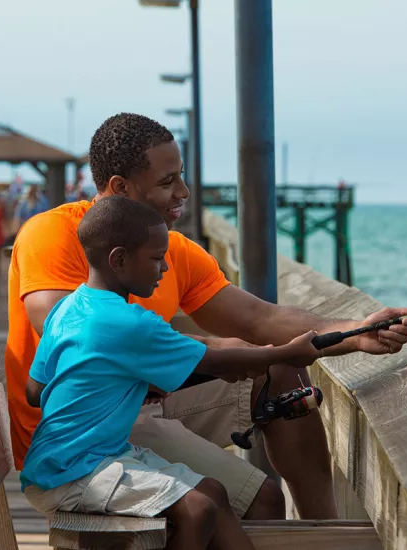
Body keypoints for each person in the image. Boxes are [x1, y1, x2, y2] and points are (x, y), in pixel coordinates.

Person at [6, 113, 407, 521]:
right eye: (167, 181)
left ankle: (321, 529)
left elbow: (259, 320)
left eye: (182, 176)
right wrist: (203, 352)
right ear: (120, 187)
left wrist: (356, 332)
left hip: (145, 400)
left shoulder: (174, 251)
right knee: (260, 499)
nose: (184, 192)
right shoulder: (52, 233)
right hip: (81, 431)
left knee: (281, 367)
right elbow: (63, 331)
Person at [21, 196, 321, 549]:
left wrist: (118, 383)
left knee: (213, 491)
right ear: (118, 259)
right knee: (197, 510)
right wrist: (292, 351)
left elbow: (34, 390)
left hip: (77, 456)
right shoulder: (129, 323)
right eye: (155, 258)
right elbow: (212, 361)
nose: (164, 268)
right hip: (73, 471)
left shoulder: (68, 308)